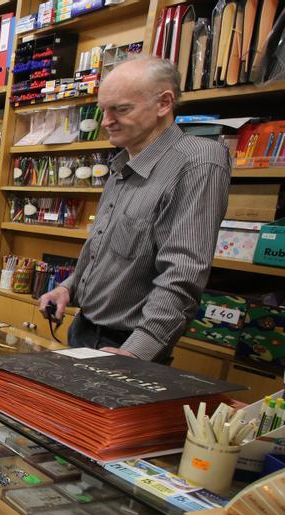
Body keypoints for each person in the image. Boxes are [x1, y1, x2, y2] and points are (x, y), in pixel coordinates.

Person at [38, 57, 231, 362]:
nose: (105, 122)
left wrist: (136, 352)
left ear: (164, 103)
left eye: (121, 109)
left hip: (126, 346)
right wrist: (67, 289)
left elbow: (183, 272)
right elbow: (103, 251)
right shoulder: (123, 164)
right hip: (84, 331)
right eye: (103, 110)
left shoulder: (198, 162)